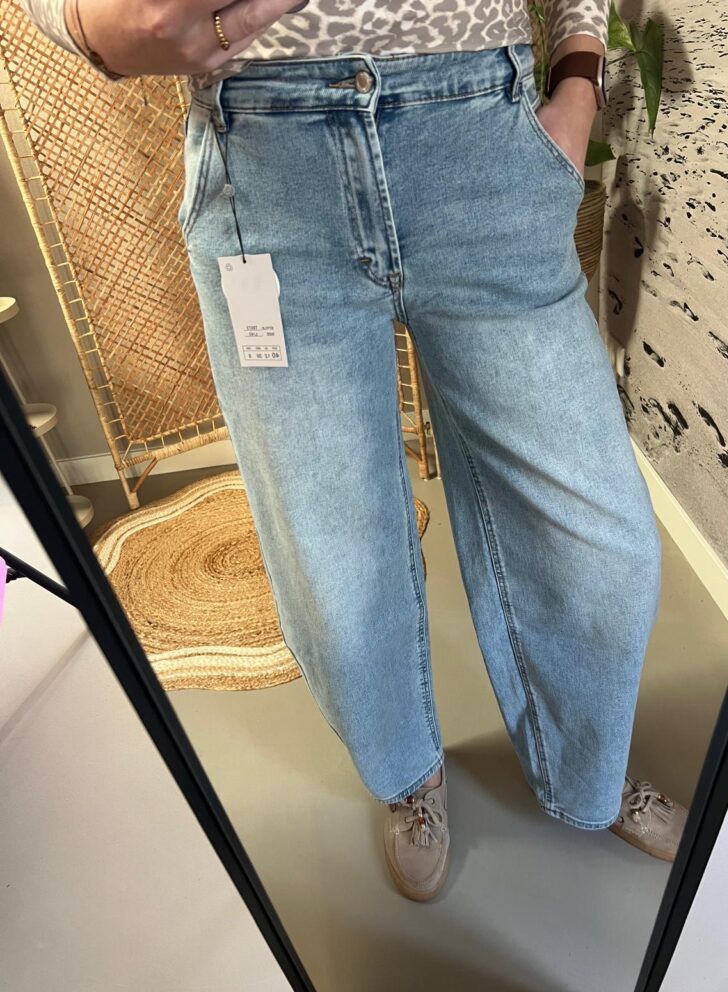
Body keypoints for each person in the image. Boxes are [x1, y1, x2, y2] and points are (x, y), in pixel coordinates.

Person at [19, 0, 688, 901]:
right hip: (267, 156)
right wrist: (84, 23)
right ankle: (408, 776)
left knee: (601, 537)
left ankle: (587, 776)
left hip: (478, 139)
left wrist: (577, 81)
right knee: (332, 552)